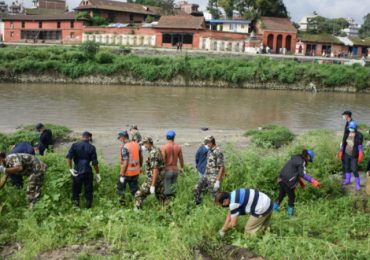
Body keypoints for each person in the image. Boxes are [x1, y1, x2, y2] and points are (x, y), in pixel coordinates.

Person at [273, 149, 320, 216]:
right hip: (288, 181)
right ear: (308, 157)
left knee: (281, 194)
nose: (308, 161)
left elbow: (294, 172)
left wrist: (300, 183)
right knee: (292, 197)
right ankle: (290, 214)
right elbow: (302, 174)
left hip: (281, 178)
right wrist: (313, 181)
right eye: (309, 160)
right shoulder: (302, 162)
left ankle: (273, 209)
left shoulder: (296, 158)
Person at [66, 131, 100, 208]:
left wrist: (71, 168)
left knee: (75, 191)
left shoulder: (75, 145)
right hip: (88, 171)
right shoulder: (92, 147)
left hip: (77, 171)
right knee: (89, 191)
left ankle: (76, 207)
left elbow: (69, 157)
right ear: (89, 138)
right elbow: (95, 163)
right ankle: (88, 208)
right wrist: (98, 173)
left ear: (82, 137)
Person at [134, 137, 166, 209]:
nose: (143, 146)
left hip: (152, 180)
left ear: (148, 143)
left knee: (138, 195)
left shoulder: (153, 153)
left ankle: (138, 213)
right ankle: (167, 214)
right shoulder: (157, 149)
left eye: (144, 144)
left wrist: (152, 185)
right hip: (160, 179)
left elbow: (155, 169)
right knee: (162, 198)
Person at [193, 136, 225, 205]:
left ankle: (215, 209)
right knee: (196, 188)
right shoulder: (209, 151)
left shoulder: (218, 151)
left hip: (214, 177)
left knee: (213, 196)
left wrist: (218, 181)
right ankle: (198, 204)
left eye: (207, 143)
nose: (206, 144)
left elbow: (221, 167)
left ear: (211, 143)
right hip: (206, 176)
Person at [117, 131, 142, 205]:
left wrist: (122, 174)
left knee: (120, 189)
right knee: (135, 190)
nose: (119, 140)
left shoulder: (125, 147)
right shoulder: (137, 145)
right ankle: (138, 205)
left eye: (120, 138)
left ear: (123, 137)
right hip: (135, 172)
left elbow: (126, 161)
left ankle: (122, 205)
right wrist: (139, 167)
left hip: (126, 173)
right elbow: (141, 157)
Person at [340, 121, 363, 191]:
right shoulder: (347, 133)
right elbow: (343, 142)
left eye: (352, 128)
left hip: (354, 155)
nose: (351, 129)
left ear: (355, 128)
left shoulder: (359, 135)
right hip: (346, 153)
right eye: (350, 128)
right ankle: (347, 180)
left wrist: (360, 153)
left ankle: (358, 184)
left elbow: (359, 146)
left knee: (354, 169)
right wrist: (341, 151)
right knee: (347, 167)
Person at [161, 130, 184, 197]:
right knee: (173, 189)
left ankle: (167, 205)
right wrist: (182, 168)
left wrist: (161, 171)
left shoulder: (164, 147)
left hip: (167, 170)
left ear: (166, 137)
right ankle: (174, 203)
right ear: (174, 138)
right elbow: (181, 159)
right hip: (175, 170)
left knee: (166, 191)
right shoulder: (178, 147)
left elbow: (163, 160)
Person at [338, 111, 354, 178]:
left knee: (345, 158)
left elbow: (352, 135)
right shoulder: (347, 122)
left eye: (344, 115)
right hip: (345, 142)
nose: (343, 117)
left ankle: (346, 173)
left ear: (347, 115)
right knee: (343, 158)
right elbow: (345, 134)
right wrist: (342, 142)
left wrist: (346, 144)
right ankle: (345, 172)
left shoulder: (352, 123)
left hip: (348, 144)